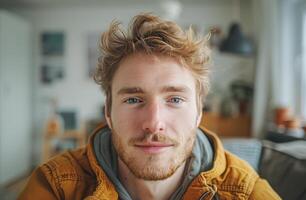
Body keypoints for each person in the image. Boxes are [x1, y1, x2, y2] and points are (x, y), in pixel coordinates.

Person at [18, 13, 281, 200]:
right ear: (108, 112)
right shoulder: (57, 185)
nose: (154, 123)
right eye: (133, 99)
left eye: (175, 99)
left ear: (199, 111)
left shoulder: (246, 192)